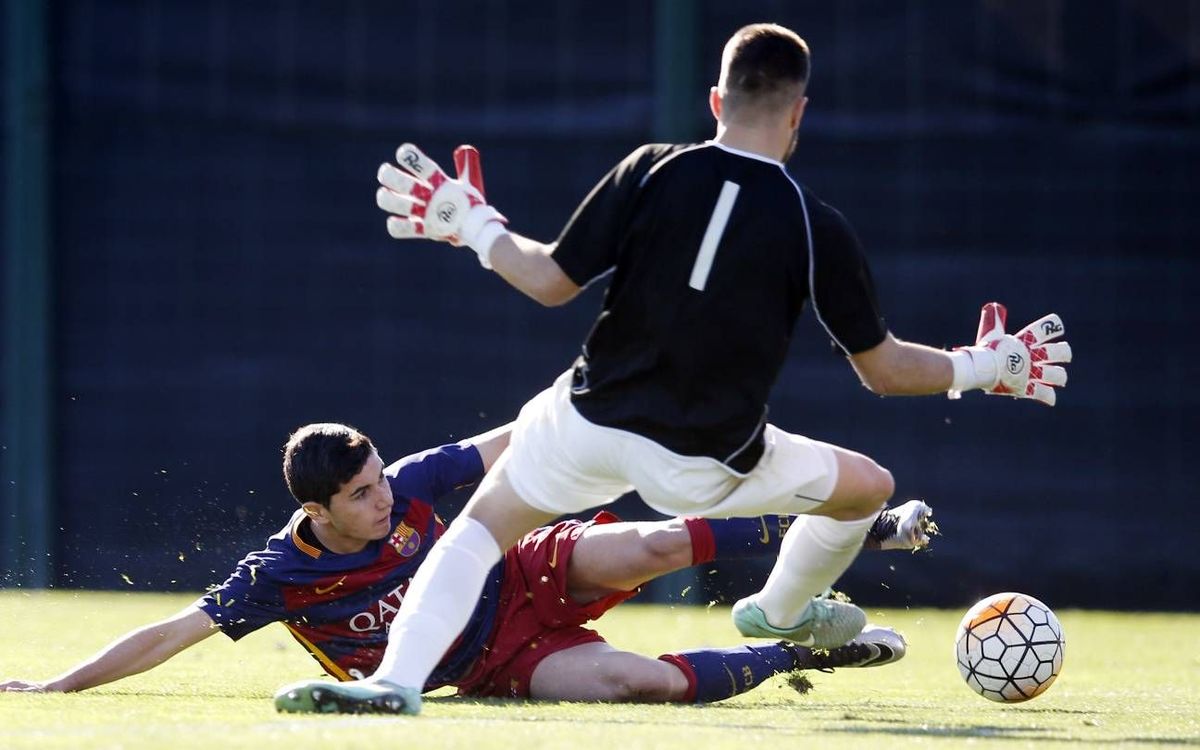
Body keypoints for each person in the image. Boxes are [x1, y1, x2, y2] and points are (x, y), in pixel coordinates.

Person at [276, 22, 1071, 715]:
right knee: (868, 488)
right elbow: (886, 371)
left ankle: (394, 683)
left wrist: (475, 225)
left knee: (479, 531)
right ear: (798, 116)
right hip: (709, 461)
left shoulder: (654, 167)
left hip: (587, 422)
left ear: (716, 102)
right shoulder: (812, 222)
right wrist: (981, 365)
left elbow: (551, 281)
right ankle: (781, 612)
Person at [0, 422, 927, 705]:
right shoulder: (275, 576)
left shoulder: (402, 486)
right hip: (490, 666)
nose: (384, 499)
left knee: (650, 541)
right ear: (314, 511)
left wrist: (601, 403)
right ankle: (805, 655)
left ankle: (867, 531)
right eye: (360, 497)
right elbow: (174, 631)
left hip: (522, 575)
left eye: (377, 480)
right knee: (631, 682)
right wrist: (55, 688)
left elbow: (518, 435)